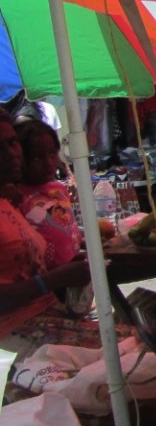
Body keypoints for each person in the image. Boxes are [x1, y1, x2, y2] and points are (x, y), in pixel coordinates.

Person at [0, 110, 92, 359]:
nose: (10, 154)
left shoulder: (9, 200)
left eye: (12, 142)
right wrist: (55, 279)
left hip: (48, 310)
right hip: (17, 324)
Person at [16, 120, 81, 268]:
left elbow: (66, 231)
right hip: (44, 283)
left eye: (52, 154)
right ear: (19, 158)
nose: (49, 163)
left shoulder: (59, 190)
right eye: (37, 158)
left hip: (73, 276)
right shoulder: (16, 198)